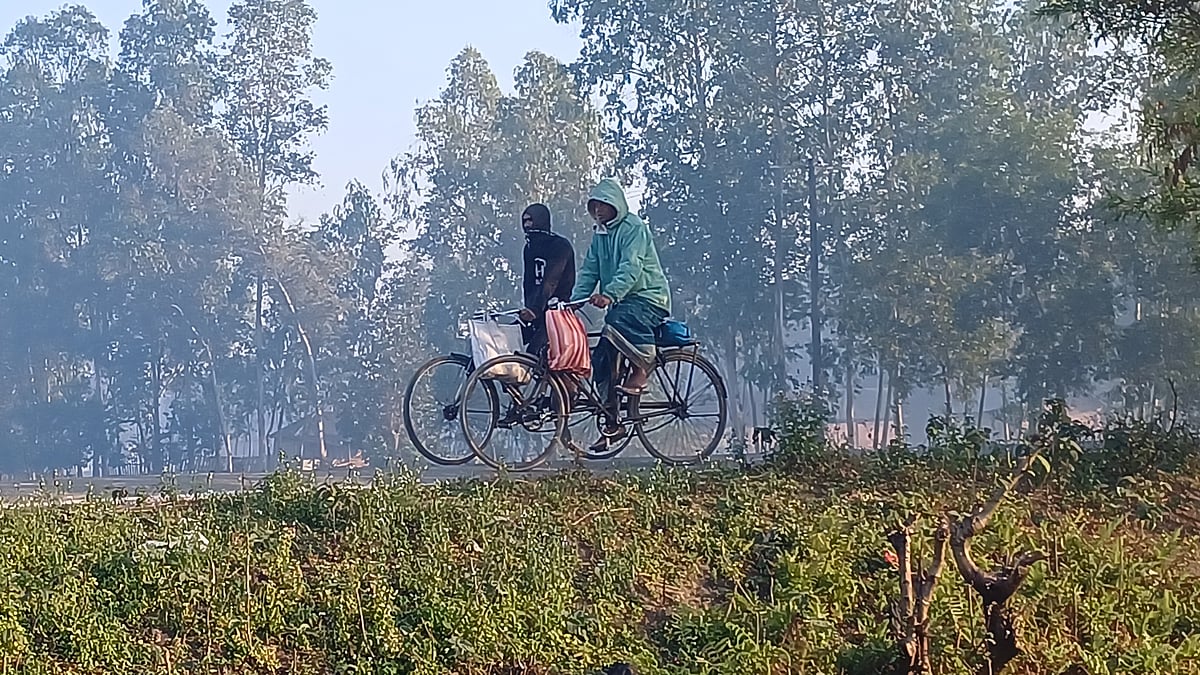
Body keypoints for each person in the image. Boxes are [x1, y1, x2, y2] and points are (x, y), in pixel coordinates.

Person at [570, 178, 672, 451]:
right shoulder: (600, 235)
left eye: (603, 205)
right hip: (622, 302)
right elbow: (590, 270)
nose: (599, 210)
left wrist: (610, 294)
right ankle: (613, 424)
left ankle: (642, 369)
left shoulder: (634, 229)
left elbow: (631, 267)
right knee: (601, 361)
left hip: (648, 298)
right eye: (595, 206)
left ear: (616, 204)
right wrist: (574, 302)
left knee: (617, 320)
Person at [518, 203, 575, 355]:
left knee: (532, 352)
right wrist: (529, 310)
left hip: (557, 313)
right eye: (524, 221)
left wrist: (536, 309)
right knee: (507, 338)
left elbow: (551, 280)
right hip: (536, 312)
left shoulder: (559, 246)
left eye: (530, 220)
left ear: (540, 220)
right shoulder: (529, 248)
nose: (527, 225)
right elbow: (528, 283)